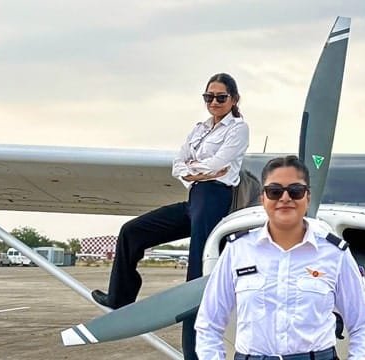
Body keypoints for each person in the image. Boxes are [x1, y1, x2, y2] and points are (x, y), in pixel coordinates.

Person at [91, 73, 249, 360]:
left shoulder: (238, 128)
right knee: (132, 230)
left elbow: (219, 164)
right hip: (195, 196)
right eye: (208, 97)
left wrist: (197, 167)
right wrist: (196, 171)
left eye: (221, 97)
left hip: (216, 199)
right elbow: (178, 164)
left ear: (234, 100)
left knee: (196, 273)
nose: (214, 102)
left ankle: (195, 351)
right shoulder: (199, 128)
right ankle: (119, 299)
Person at [195, 155, 365, 360]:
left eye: (295, 191)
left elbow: (363, 324)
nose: (285, 198)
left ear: (307, 197)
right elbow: (208, 324)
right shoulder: (237, 250)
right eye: (274, 191)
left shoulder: (336, 254)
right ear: (263, 198)